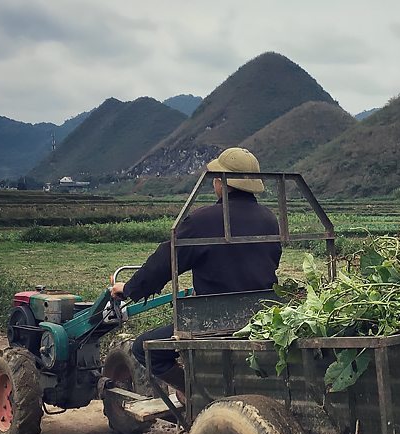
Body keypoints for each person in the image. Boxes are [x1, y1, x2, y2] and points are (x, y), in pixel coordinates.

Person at [110, 147, 281, 391]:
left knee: (144, 348)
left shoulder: (204, 220)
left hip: (212, 322)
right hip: (261, 317)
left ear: (221, 183)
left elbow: (164, 261)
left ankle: (195, 392)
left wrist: (128, 288)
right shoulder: (270, 219)